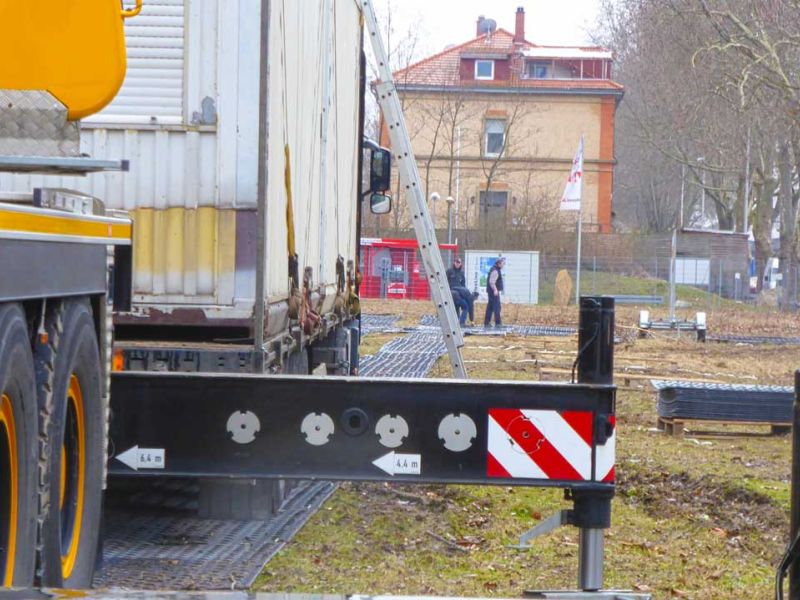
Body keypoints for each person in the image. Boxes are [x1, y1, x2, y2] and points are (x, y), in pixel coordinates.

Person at [446, 257, 476, 325]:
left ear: (460, 264)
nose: (457, 264)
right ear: (454, 263)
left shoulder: (461, 273)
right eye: (456, 262)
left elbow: (463, 284)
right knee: (463, 307)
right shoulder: (449, 271)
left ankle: (457, 323)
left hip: (459, 293)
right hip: (451, 292)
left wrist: (472, 320)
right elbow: (445, 282)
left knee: (459, 307)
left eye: (459, 262)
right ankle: (460, 323)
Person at [484, 257, 506, 327]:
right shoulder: (495, 271)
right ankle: (498, 323)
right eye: (502, 263)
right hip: (493, 292)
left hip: (491, 291)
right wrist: (495, 290)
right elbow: (491, 282)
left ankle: (486, 323)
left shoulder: (494, 269)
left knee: (490, 307)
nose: (503, 265)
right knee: (497, 307)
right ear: (499, 264)